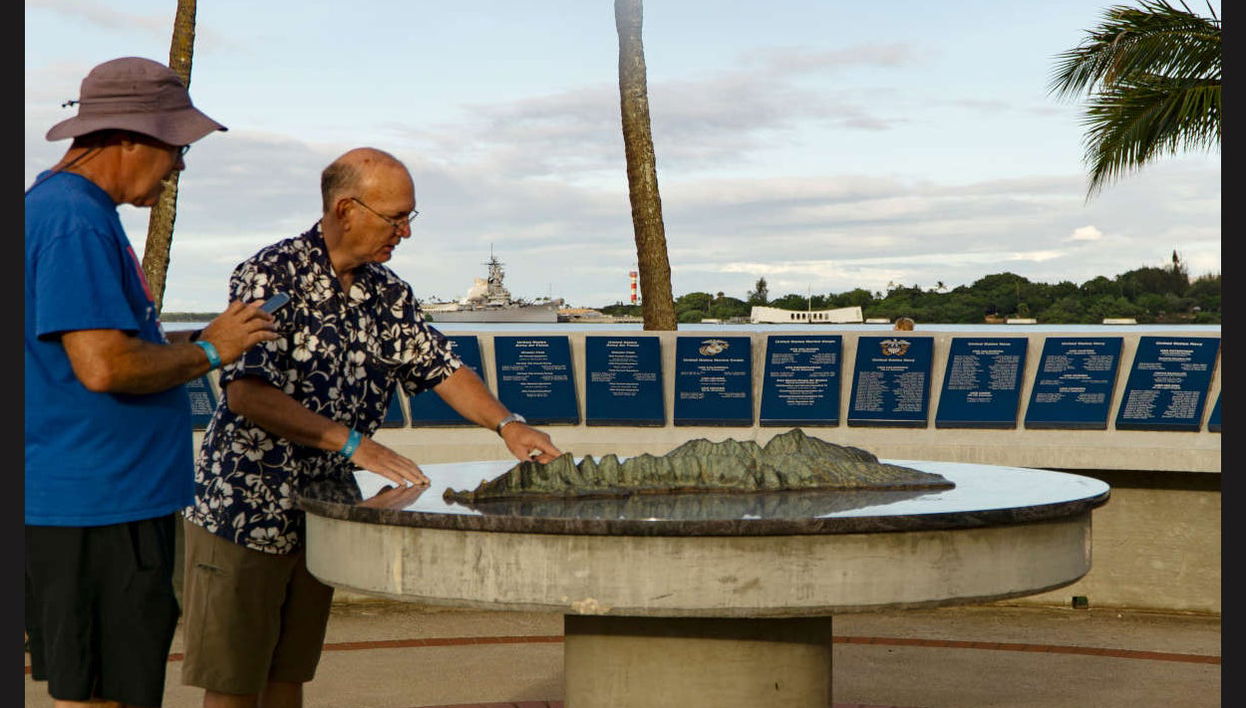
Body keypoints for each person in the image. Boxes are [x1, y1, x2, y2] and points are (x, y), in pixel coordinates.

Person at [180, 147, 562, 708]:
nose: (405, 232)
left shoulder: (389, 292)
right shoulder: (270, 273)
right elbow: (246, 393)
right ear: (345, 209)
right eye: (395, 217)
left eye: (410, 217)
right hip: (245, 513)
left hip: (324, 516)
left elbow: (443, 369)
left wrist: (508, 426)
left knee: (289, 675)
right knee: (235, 682)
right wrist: (355, 444)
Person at [25, 57, 280, 708]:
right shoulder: (74, 218)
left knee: (95, 685)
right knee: (104, 693)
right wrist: (213, 353)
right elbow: (104, 365)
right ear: (130, 139)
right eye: (177, 148)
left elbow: (96, 345)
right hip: (102, 504)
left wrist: (197, 341)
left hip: (89, 499)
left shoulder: (63, 208)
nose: (179, 168)